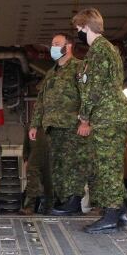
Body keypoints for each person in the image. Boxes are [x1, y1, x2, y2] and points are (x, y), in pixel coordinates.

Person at [72, 8, 127, 233]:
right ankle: (122, 212)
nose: (78, 33)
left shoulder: (98, 51)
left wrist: (85, 118)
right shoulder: (110, 49)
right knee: (112, 164)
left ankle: (110, 215)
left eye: (79, 29)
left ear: (86, 27)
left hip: (106, 116)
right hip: (114, 114)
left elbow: (92, 88)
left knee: (106, 166)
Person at [29, 34, 89, 217]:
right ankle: (65, 201)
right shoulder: (51, 72)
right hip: (53, 127)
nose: (52, 47)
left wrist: (85, 121)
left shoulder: (80, 67)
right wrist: (34, 124)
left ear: (68, 46)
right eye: (52, 44)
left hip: (73, 125)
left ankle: (74, 199)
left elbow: (89, 95)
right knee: (57, 166)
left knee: (73, 164)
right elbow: (41, 100)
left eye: (57, 44)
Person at [22, 126, 53, 214]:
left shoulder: (53, 126)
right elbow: (26, 145)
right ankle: (28, 208)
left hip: (49, 159)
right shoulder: (30, 127)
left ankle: (49, 208)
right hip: (34, 159)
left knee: (49, 185)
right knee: (32, 184)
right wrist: (26, 160)